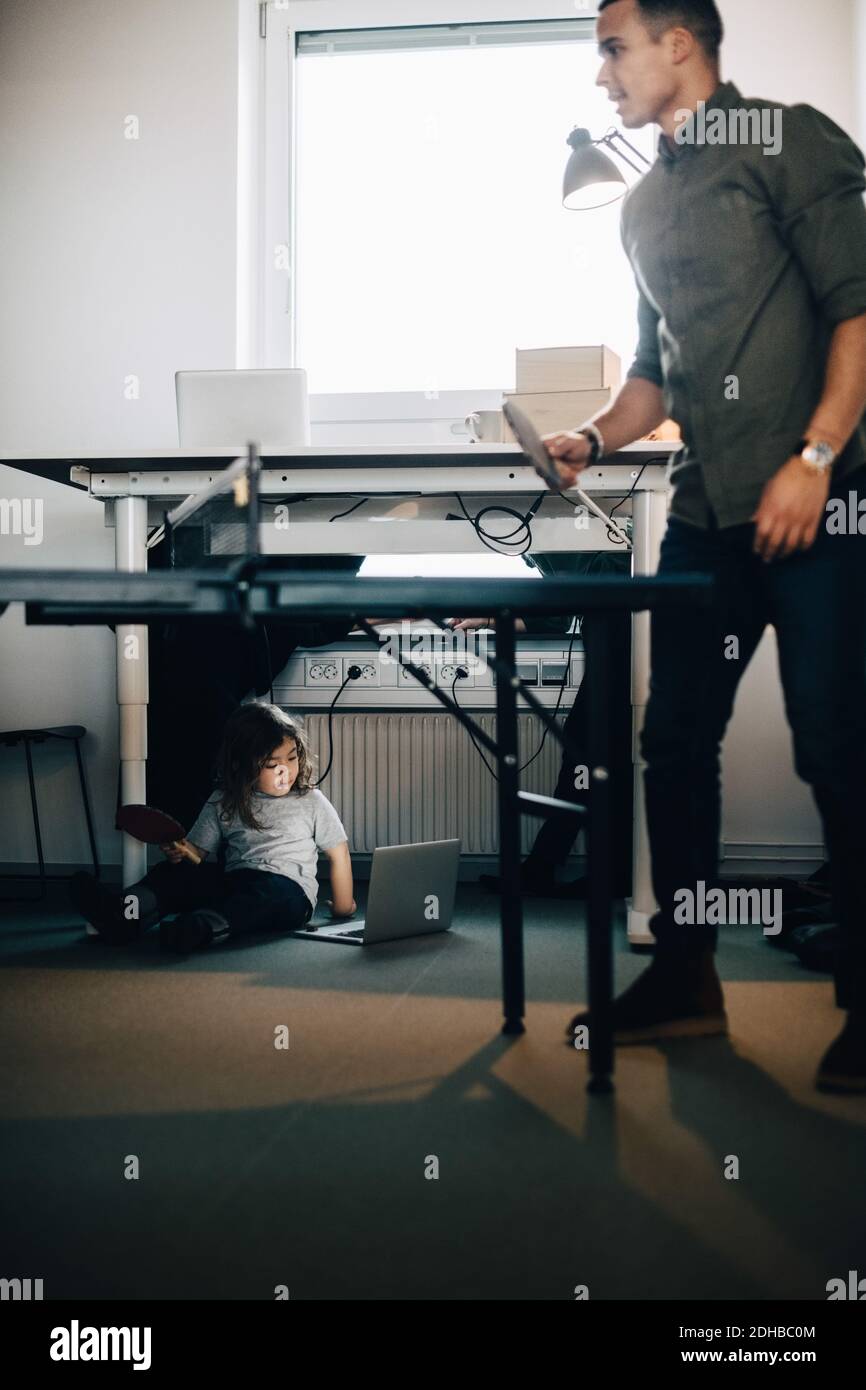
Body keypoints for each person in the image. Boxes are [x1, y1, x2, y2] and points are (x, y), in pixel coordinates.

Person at [546, 0, 866, 1092]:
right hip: (705, 514)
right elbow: (655, 376)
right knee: (671, 741)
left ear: (678, 42)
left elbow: (857, 308)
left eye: (611, 48)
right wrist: (592, 435)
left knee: (835, 742)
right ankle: (683, 976)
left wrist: (814, 459)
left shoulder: (789, 138)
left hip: (822, 505)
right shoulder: (640, 207)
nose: (601, 76)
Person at [70, 703, 354, 951]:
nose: (286, 770)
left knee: (263, 896)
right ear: (241, 765)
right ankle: (124, 914)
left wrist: (344, 907)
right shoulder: (224, 799)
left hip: (289, 893)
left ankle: (202, 929)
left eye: (292, 758)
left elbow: (338, 853)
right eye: (271, 764)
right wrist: (179, 852)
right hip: (236, 881)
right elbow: (196, 853)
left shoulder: (310, 799)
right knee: (174, 875)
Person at [449, 548, 634, 899]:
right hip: (613, 669)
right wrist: (487, 619)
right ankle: (585, 871)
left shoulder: (586, 550)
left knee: (598, 768)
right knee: (594, 768)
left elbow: (575, 595)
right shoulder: (562, 551)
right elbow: (556, 617)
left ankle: (582, 872)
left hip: (625, 668)